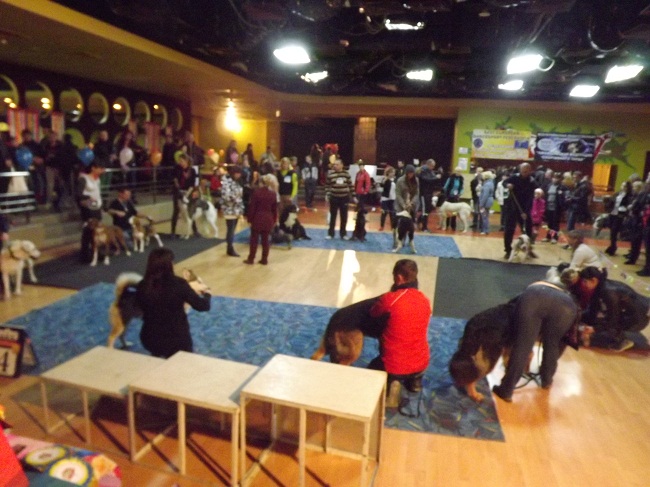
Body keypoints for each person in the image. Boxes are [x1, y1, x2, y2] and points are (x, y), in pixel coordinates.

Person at [492, 280, 579, 402]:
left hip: (534, 298)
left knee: (523, 345)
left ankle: (506, 390)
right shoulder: (567, 294)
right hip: (566, 307)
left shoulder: (531, 288)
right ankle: (547, 381)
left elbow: (511, 308)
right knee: (552, 344)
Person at [368, 259, 431, 405]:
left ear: (399, 277)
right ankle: (414, 382)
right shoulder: (425, 300)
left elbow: (373, 313)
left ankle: (391, 382)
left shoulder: (389, 299)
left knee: (372, 369)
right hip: (422, 362)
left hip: (394, 365)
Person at [136, 247, 211, 358]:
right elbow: (203, 306)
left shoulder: (143, 285)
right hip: (176, 340)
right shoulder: (179, 284)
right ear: (170, 264)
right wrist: (207, 294)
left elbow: (139, 307)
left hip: (149, 338)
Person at [564, 266, 648, 352]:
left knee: (604, 320)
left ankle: (622, 340)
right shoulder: (600, 286)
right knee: (591, 315)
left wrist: (594, 329)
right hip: (635, 311)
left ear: (593, 280)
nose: (583, 285)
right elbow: (593, 309)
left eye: (585, 281)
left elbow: (612, 319)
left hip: (638, 319)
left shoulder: (608, 293)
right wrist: (580, 316)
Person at [503, 162, 537, 260]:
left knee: (528, 229)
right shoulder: (514, 177)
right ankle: (508, 250)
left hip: (524, 208)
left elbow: (530, 198)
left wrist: (526, 212)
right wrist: (508, 185)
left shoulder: (532, 182)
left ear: (530, 171)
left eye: (526, 172)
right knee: (509, 229)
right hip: (512, 207)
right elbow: (504, 182)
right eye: (522, 171)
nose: (524, 173)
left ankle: (528, 249)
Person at [244, 173, 278, 265]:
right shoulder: (273, 194)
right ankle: (264, 259)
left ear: (261, 183)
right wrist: (274, 220)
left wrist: (249, 219)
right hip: (268, 218)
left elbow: (252, 208)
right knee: (265, 240)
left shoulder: (256, 193)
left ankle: (251, 259)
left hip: (257, 218)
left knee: (254, 240)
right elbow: (274, 209)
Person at [76, 161, 105, 263]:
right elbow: (78, 193)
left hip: (97, 205)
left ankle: (96, 252)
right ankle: (84, 255)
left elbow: (97, 193)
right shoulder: (83, 178)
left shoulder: (97, 180)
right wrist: (88, 197)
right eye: (100, 168)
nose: (102, 171)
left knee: (97, 230)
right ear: (93, 168)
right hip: (87, 206)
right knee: (88, 231)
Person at [325, 159, 354, 240]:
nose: (335, 166)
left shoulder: (346, 174)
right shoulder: (331, 175)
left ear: (341, 165)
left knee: (344, 217)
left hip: (344, 198)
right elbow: (327, 186)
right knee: (332, 217)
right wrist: (327, 194)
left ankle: (343, 234)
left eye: (337, 164)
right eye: (334, 164)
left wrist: (354, 196)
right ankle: (331, 234)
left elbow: (350, 185)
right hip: (334, 198)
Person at [171, 153, 197, 238]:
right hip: (178, 191)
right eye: (179, 161)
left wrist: (187, 194)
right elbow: (174, 178)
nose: (180, 162)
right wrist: (178, 187)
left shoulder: (192, 170)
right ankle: (173, 232)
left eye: (182, 161)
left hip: (188, 191)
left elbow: (192, 184)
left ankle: (195, 230)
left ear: (186, 161)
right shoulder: (177, 168)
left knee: (190, 211)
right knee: (176, 211)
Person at [220, 165, 245, 257]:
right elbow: (226, 196)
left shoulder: (237, 181)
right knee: (230, 229)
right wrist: (236, 199)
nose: (239, 175)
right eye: (237, 173)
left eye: (240, 174)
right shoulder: (227, 181)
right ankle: (230, 248)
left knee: (233, 229)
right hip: (229, 209)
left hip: (236, 209)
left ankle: (229, 247)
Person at [604, 181, 632, 256]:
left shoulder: (629, 196)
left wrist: (625, 210)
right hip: (613, 213)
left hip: (620, 215)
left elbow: (628, 205)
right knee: (611, 231)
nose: (623, 187)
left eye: (625, 186)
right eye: (622, 185)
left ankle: (613, 247)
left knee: (614, 231)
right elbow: (611, 201)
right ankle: (612, 245)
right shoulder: (617, 194)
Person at [417, 159, 441, 232]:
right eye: (432, 166)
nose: (433, 168)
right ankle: (424, 227)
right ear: (428, 164)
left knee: (429, 209)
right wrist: (436, 177)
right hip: (423, 193)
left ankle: (419, 220)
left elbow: (433, 181)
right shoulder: (422, 171)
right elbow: (426, 180)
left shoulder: (431, 171)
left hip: (429, 193)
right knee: (425, 210)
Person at [541, 172, 565, 243]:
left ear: (560, 179)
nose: (555, 179)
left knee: (555, 224)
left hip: (556, 208)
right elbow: (546, 195)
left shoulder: (562, 187)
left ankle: (554, 237)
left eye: (557, 178)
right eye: (554, 177)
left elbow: (563, 197)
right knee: (549, 223)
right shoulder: (549, 185)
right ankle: (548, 236)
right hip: (548, 207)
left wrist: (562, 206)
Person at [442, 165, 464, 231]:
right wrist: (446, 194)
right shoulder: (451, 178)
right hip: (449, 197)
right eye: (457, 171)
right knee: (448, 211)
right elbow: (445, 187)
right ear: (455, 171)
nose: (459, 172)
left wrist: (460, 193)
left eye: (460, 171)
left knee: (455, 212)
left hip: (456, 197)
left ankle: (453, 225)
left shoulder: (461, 179)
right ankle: (447, 224)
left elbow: (462, 188)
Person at [379, 166, 396, 231]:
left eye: (393, 172)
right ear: (388, 173)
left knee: (392, 213)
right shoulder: (385, 179)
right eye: (392, 172)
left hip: (392, 198)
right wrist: (385, 179)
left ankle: (393, 227)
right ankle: (382, 226)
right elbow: (381, 185)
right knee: (384, 212)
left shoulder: (395, 180)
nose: (393, 173)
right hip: (385, 198)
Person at [478, 170, 495, 235]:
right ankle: (485, 229)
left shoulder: (487, 184)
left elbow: (485, 195)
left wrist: (481, 204)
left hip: (486, 202)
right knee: (486, 216)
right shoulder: (491, 183)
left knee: (484, 217)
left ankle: (485, 230)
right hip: (489, 201)